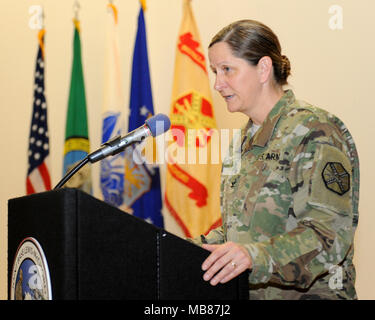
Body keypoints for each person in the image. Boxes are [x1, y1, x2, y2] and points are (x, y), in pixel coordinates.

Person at [191, 19, 359, 300]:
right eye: (214, 72)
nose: (218, 84)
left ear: (264, 69)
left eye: (227, 70)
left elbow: (329, 237)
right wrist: (178, 248)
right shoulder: (241, 142)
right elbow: (241, 232)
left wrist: (252, 257)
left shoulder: (314, 131)